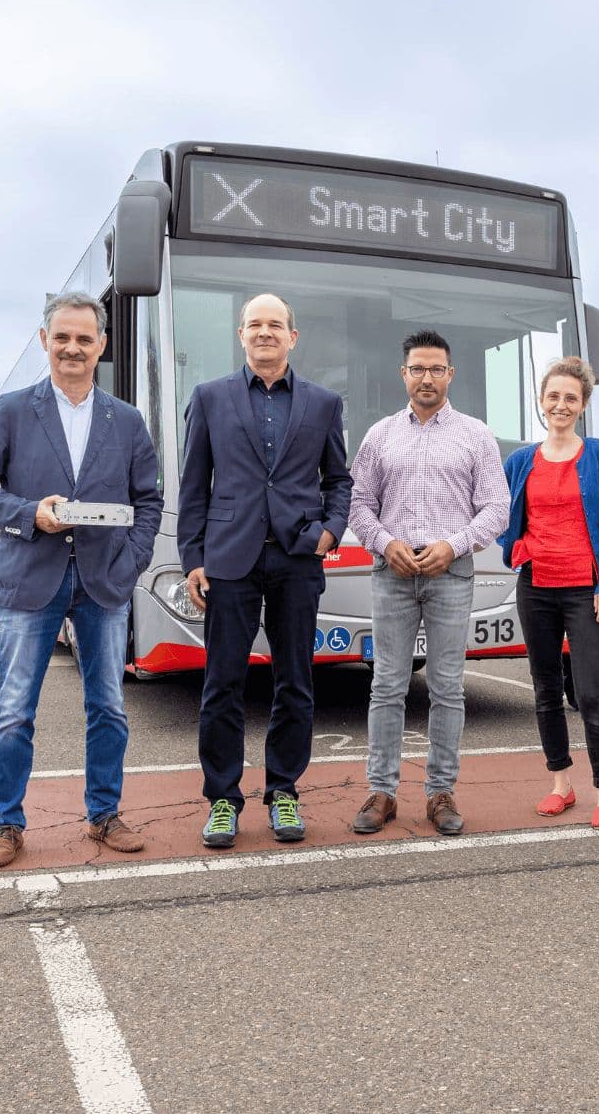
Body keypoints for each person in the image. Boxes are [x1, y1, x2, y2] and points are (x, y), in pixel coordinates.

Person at [0, 291, 163, 869]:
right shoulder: (11, 411)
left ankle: (104, 813)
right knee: (14, 710)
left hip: (104, 584)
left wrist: (132, 560)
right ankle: (6, 822)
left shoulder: (127, 421)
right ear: (45, 340)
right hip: (31, 581)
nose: (73, 348)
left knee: (109, 708)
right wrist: (30, 514)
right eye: (63, 337)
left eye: (84, 339)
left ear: (101, 345)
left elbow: (147, 501)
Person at [178, 293, 352, 848]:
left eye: (275, 324)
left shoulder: (324, 403)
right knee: (222, 683)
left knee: (295, 681)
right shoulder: (209, 398)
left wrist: (331, 531)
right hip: (229, 559)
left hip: (297, 559)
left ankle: (283, 792)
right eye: (254, 324)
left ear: (292, 337)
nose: (264, 332)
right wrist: (193, 558)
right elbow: (193, 485)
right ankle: (222, 800)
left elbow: (339, 480)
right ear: (241, 335)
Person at [347, 329, 509, 836]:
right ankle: (382, 792)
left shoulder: (476, 436)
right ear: (403, 374)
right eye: (418, 368)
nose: (427, 378)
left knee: (447, 688)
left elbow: (497, 507)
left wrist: (453, 545)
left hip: (451, 573)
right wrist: (384, 542)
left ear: (450, 375)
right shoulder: (379, 436)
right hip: (391, 573)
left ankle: (441, 792)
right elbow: (358, 504)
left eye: (437, 369)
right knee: (386, 685)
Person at [499, 358, 599, 828]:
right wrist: (517, 548)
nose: (561, 405)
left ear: (583, 404)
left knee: (591, 694)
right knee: (546, 691)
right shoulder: (520, 461)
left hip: (584, 589)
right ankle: (561, 785)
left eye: (571, 397)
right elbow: (498, 512)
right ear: (541, 401)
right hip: (535, 588)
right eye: (553, 396)